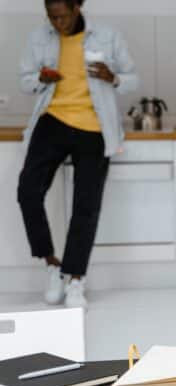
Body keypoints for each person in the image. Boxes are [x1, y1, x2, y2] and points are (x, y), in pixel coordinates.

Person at [18, 0, 138, 308]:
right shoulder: (39, 38)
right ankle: (52, 264)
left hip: (95, 129)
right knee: (28, 192)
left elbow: (132, 78)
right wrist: (41, 79)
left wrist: (113, 77)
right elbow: (25, 80)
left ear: (77, 7)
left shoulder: (108, 36)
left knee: (85, 206)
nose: (58, 23)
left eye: (63, 15)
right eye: (52, 17)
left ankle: (75, 279)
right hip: (52, 122)